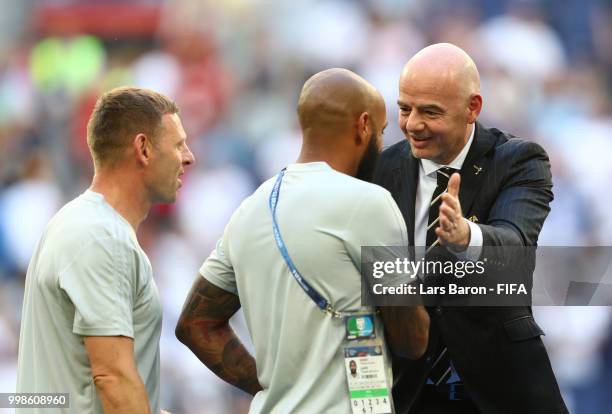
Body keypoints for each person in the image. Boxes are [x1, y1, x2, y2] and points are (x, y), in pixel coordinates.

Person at [175, 68, 429, 413]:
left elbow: (195, 324)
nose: (382, 147)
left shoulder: (250, 208)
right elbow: (411, 339)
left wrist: (275, 390)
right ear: (363, 125)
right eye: (381, 133)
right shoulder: (370, 202)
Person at [373, 43, 568, 414]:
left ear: (472, 108)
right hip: (408, 391)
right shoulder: (382, 170)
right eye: (404, 108)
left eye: (430, 112)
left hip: (501, 391)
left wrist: (467, 238)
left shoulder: (518, 160)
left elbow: (516, 248)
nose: (413, 124)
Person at [16, 87, 195, 414]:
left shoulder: (81, 223)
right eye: (179, 144)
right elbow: (112, 378)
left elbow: (87, 383)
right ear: (143, 148)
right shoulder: (101, 237)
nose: (188, 157)